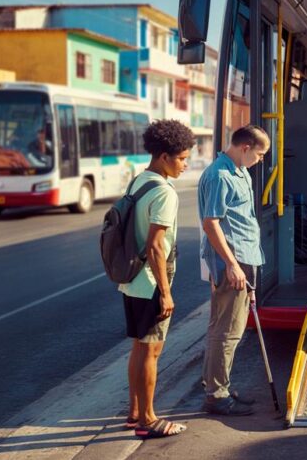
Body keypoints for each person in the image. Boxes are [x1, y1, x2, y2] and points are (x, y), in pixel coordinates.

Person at [121, 119, 195, 439]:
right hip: (151, 283)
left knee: (139, 347)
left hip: (132, 280)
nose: (185, 164)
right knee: (152, 350)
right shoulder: (164, 192)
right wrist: (165, 292)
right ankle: (148, 420)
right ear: (164, 156)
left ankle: (134, 411)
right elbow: (155, 245)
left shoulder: (139, 182)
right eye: (181, 158)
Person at [199, 125, 272, 417]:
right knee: (226, 330)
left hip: (244, 259)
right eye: (260, 153)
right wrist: (231, 264)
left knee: (229, 328)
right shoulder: (220, 175)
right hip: (233, 263)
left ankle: (220, 387)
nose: (261, 160)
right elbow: (211, 223)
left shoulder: (239, 171)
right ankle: (216, 395)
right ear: (245, 147)